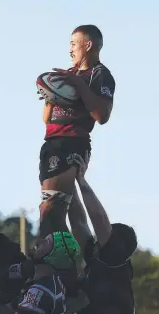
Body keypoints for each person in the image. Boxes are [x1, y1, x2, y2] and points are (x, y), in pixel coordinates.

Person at [67, 156, 147, 314]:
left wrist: (81, 180)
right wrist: (66, 183)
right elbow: (80, 223)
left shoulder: (117, 264)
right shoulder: (97, 262)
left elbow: (98, 218)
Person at [38, 24, 115, 238]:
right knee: (58, 210)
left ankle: (56, 263)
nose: (70, 49)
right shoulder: (68, 75)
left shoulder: (100, 74)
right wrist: (50, 98)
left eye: (73, 44)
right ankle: (79, 256)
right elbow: (47, 119)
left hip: (71, 143)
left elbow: (102, 116)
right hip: (51, 143)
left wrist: (79, 85)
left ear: (88, 45)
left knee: (51, 209)